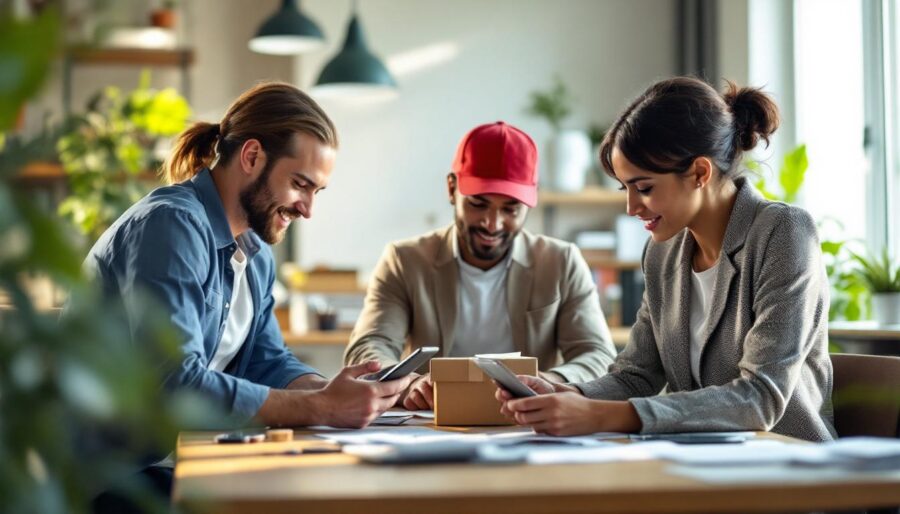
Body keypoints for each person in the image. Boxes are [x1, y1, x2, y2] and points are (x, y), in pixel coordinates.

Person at [86, 83, 412, 510]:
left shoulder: (255, 255)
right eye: (300, 184)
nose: (308, 209)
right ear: (252, 157)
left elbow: (267, 360)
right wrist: (322, 407)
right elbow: (176, 385)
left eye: (318, 191)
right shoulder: (170, 226)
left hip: (184, 461)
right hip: (118, 475)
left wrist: (335, 390)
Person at [497, 77, 836, 442]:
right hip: (700, 465)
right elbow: (636, 375)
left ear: (700, 173)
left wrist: (600, 415)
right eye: (625, 188)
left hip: (789, 469)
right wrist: (572, 395)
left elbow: (760, 399)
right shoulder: (663, 251)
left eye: (644, 188)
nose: (631, 207)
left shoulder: (783, 232)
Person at [344, 121, 617, 410]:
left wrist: (552, 382)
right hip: (433, 421)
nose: (492, 223)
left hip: (527, 423)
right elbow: (369, 347)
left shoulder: (561, 262)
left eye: (510, 209)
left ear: (530, 202)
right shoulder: (405, 260)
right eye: (478, 204)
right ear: (452, 189)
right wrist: (409, 383)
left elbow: (599, 355)